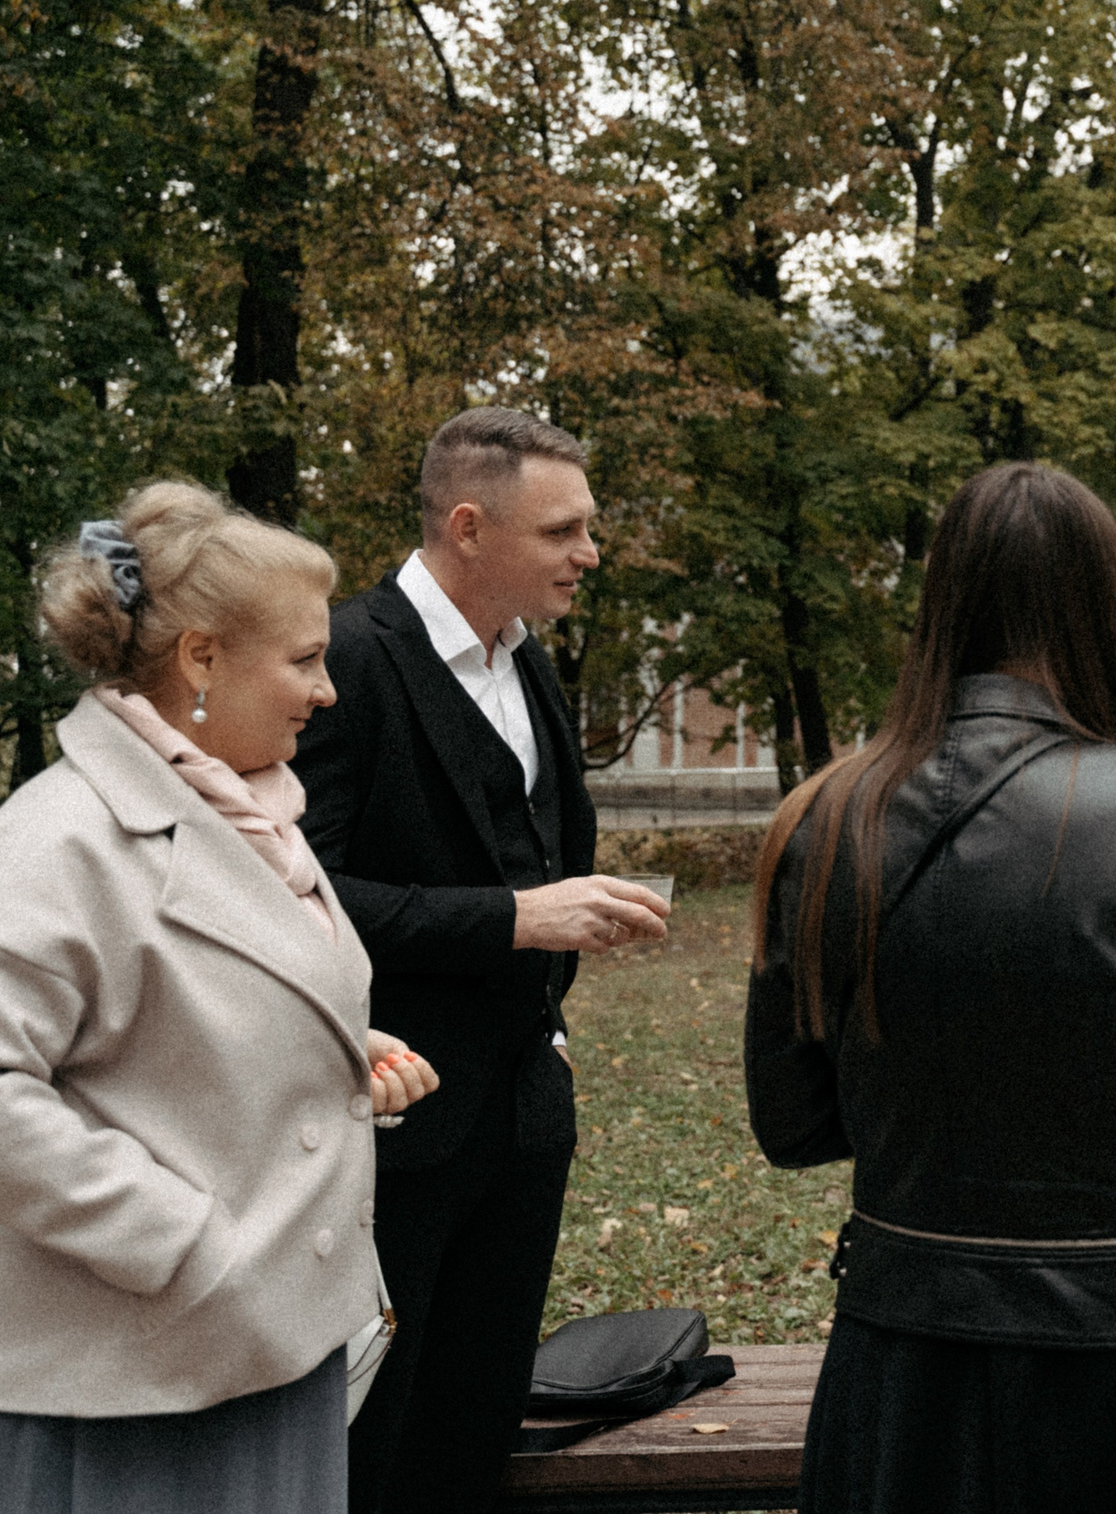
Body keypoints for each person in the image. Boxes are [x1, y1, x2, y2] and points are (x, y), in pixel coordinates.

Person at [744, 462, 1116, 1514]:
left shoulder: (823, 818)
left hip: (907, 1359)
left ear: (940, 600)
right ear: (1101, 603)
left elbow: (791, 1122)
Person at [0, 483, 438, 1514]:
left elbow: (179, 1008)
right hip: (138, 1383)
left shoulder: (249, 815)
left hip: (268, 1347)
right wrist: (190, 1251)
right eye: (303, 659)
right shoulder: (61, 837)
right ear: (201, 658)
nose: (327, 691)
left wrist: (325, 1049)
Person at [296, 409, 669, 1514]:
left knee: (474, 1430)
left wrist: (548, 1018)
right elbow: (299, 901)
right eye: (563, 530)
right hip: (390, 1122)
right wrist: (513, 919)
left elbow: (551, 843)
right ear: (469, 526)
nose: (588, 552)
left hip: (522, 1113)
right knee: (378, 1439)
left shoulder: (529, 662)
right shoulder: (344, 663)